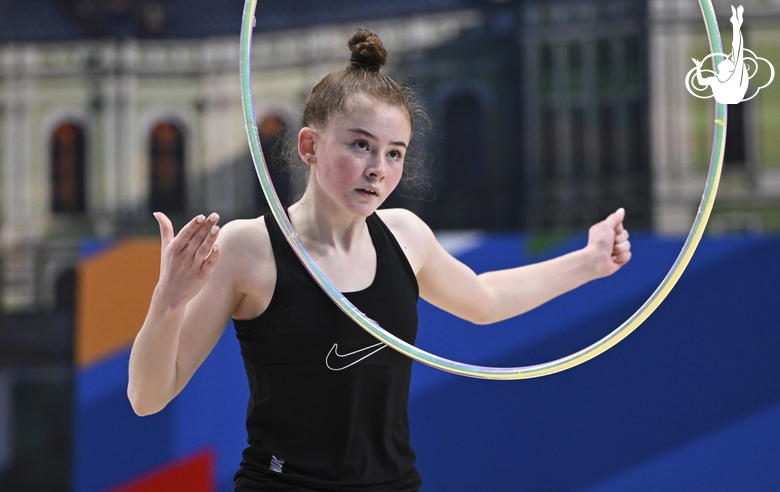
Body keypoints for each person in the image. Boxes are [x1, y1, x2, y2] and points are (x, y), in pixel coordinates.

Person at [127, 29, 632, 492]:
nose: (377, 169)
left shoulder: (406, 236)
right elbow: (148, 397)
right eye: (360, 145)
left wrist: (589, 261)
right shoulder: (248, 247)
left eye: (394, 153)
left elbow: (486, 299)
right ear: (309, 145)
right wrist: (167, 300)